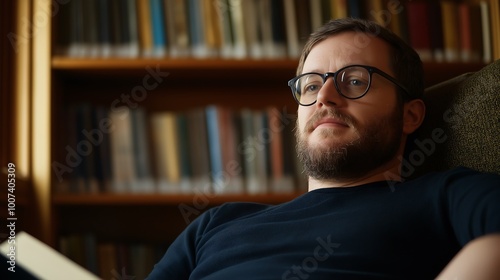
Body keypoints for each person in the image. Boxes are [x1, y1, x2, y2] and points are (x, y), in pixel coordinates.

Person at [147, 18, 500, 279]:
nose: (325, 98)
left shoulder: (443, 196)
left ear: (409, 115)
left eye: (356, 81)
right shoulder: (216, 223)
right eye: (311, 85)